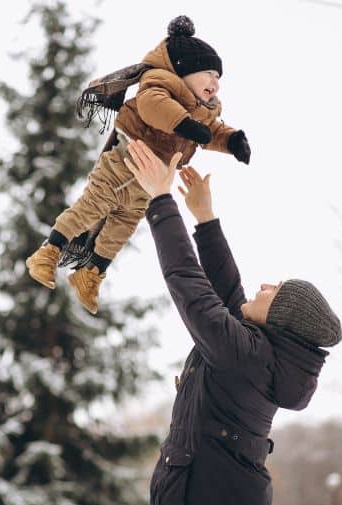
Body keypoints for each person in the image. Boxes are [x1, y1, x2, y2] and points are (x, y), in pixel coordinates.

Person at [121, 139, 341, 505]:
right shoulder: (260, 357)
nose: (264, 285)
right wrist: (205, 218)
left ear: (281, 319)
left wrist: (161, 201)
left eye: (274, 290)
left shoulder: (246, 357)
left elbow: (191, 287)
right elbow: (227, 293)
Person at [25, 15, 250, 314]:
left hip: (149, 182)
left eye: (219, 78)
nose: (215, 83)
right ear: (184, 68)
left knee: (122, 228)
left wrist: (232, 141)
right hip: (123, 164)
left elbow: (210, 133)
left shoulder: (204, 111)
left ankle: (90, 274)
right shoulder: (161, 83)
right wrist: (184, 124)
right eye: (209, 73)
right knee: (92, 206)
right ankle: (48, 252)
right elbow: (152, 106)